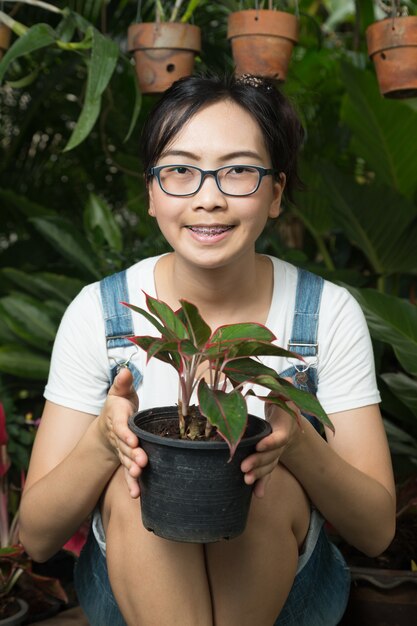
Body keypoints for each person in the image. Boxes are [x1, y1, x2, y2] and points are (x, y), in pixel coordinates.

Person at [19, 74, 396, 626]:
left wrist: (292, 446)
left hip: (288, 596)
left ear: (275, 193)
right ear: (151, 193)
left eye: (239, 170)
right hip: (132, 593)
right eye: (180, 171)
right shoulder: (102, 313)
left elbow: (376, 529)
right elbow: (38, 535)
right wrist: (104, 442)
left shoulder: (327, 313)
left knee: (260, 483)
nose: (209, 197)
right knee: (136, 486)